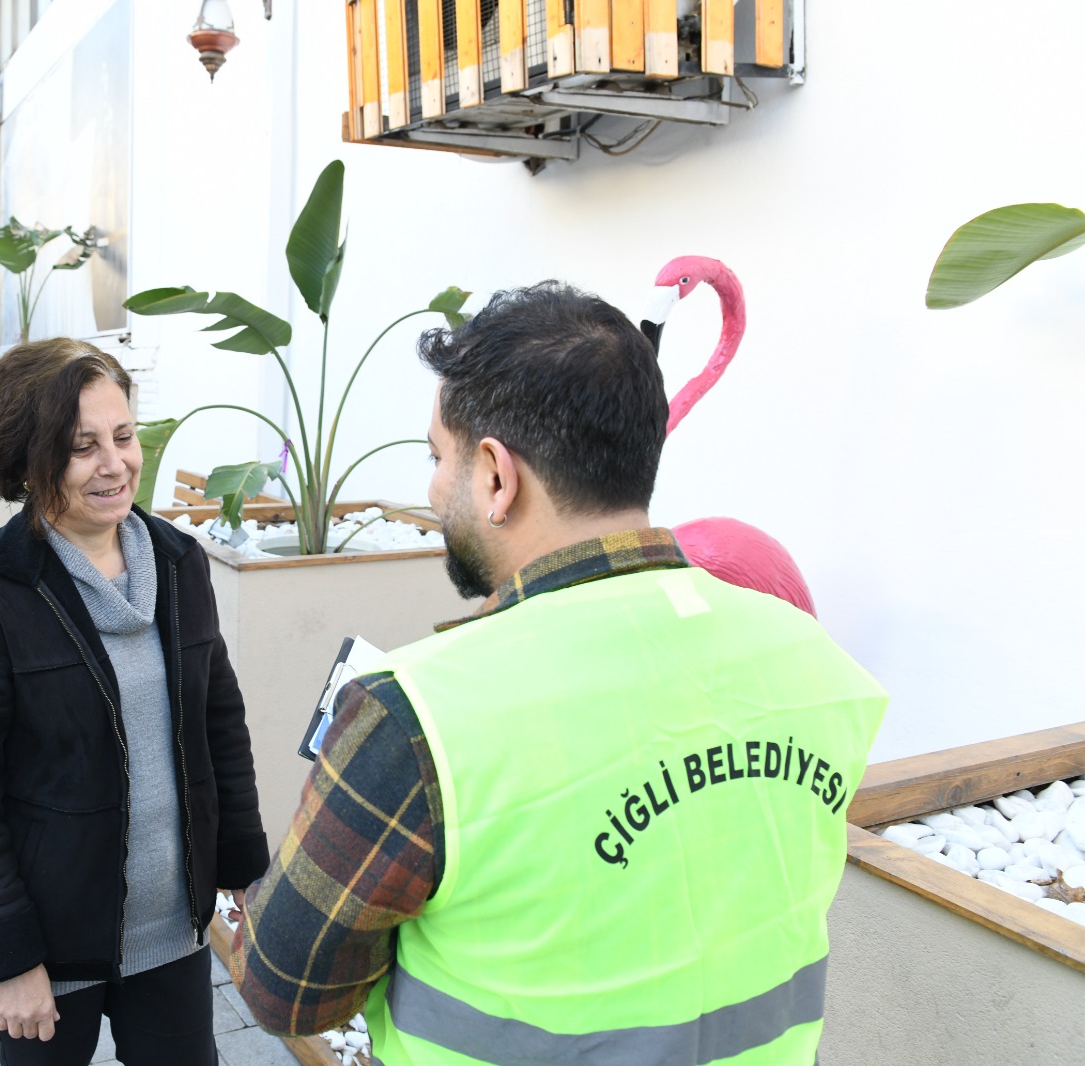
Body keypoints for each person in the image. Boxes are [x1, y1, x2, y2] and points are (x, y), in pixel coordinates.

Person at [230, 281, 888, 1065]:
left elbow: (284, 989)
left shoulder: (416, 719)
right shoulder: (815, 659)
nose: (433, 488)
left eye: (438, 457)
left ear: (496, 476)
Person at [0, 337, 269, 1066]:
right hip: (49, 951)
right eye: (82, 447)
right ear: (27, 460)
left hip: (172, 931)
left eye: (123, 436)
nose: (115, 464)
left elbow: (219, 725)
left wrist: (241, 871)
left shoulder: (179, 563)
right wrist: (6, 958)